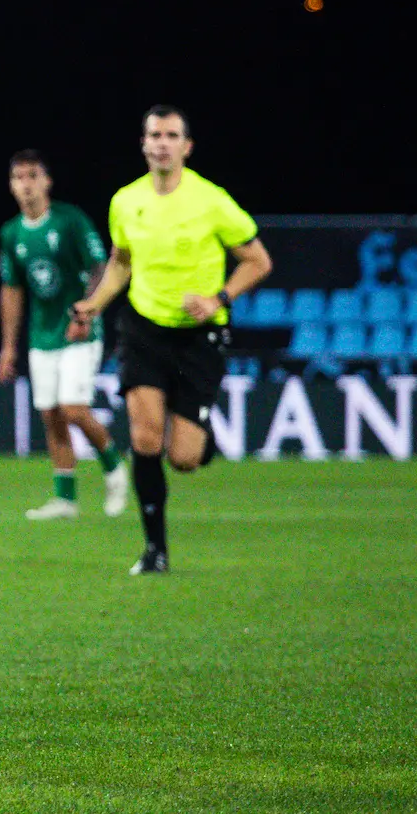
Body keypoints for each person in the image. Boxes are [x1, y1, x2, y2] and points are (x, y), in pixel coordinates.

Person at [70, 106, 273, 575]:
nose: (162, 142)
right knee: (144, 437)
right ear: (144, 144)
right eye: (154, 135)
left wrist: (218, 297)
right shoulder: (126, 201)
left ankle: (200, 438)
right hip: (142, 328)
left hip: (200, 335)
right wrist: (94, 305)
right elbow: (121, 262)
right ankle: (154, 550)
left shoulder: (212, 201)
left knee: (182, 458)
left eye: (171, 135)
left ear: (187, 146)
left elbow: (258, 260)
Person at [0, 150, 130, 521]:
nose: (26, 185)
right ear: (11, 185)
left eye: (33, 176)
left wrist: (87, 312)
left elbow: (100, 266)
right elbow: (12, 290)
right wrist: (8, 346)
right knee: (51, 415)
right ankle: (66, 499)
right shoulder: (11, 234)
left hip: (80, 331)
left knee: (74, 409)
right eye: (19, 177)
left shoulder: (70, 221)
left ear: (46, 181)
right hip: (42, 335)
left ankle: (115, 469)